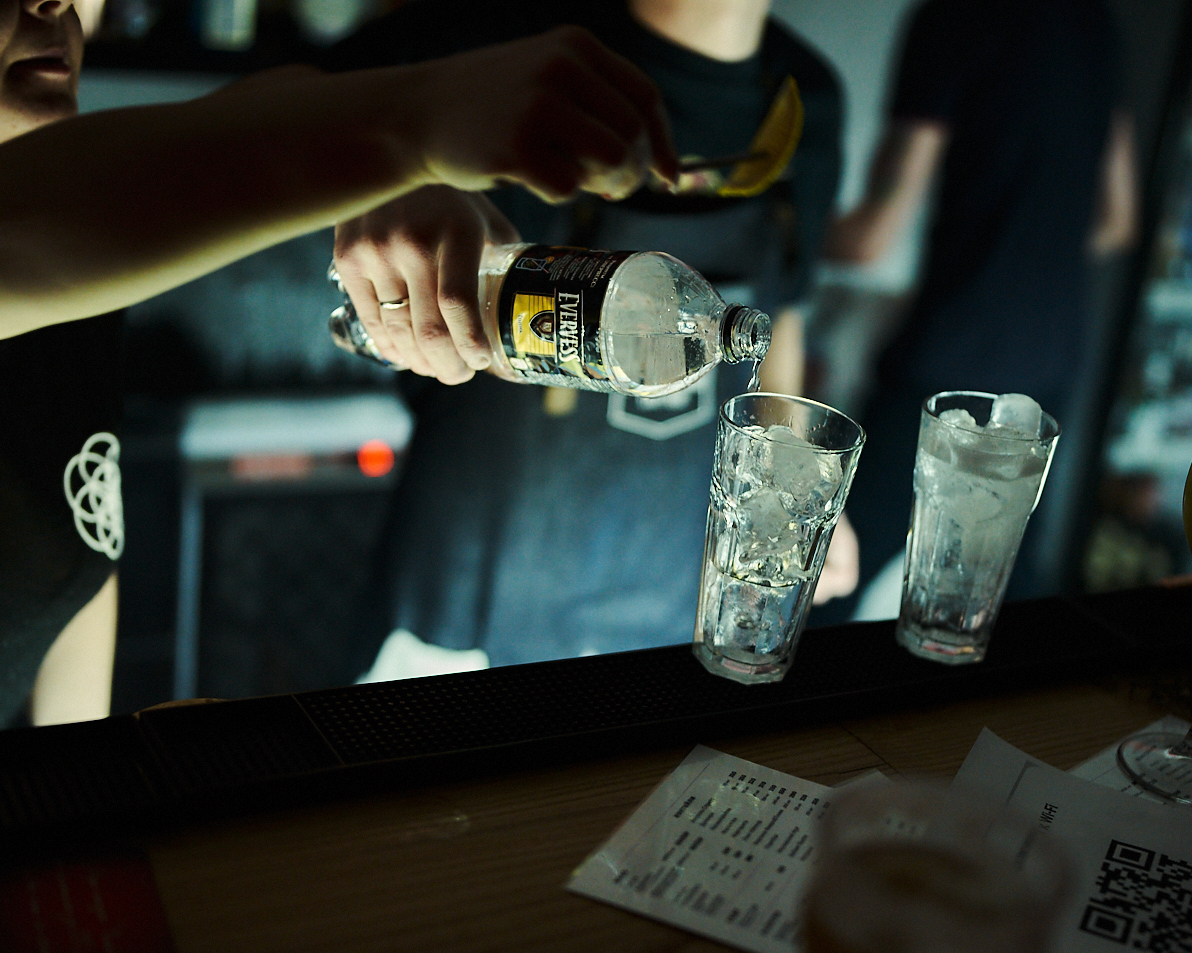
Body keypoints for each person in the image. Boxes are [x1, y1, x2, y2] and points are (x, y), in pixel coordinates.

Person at [0, 0, 678, 745]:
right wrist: (398, 132)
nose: (59, 3)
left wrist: (379, 177)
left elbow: (69, 569)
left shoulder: (74, 285)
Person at [319, 0, 848, 679]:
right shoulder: (496, 44)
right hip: (469, 584)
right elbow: (283, 127)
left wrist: (792, 488)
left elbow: (781, 315)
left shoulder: (804, 99)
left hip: (667, 579)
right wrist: (378, 177)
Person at [811, 0, 1137, 621]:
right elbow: (1117, 221)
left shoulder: (953, 19)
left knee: (831, 569)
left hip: (955, 349)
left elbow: (870, 237)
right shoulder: (1094, 23)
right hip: (1052, 352)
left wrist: (769, 224)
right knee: (1004, 583)